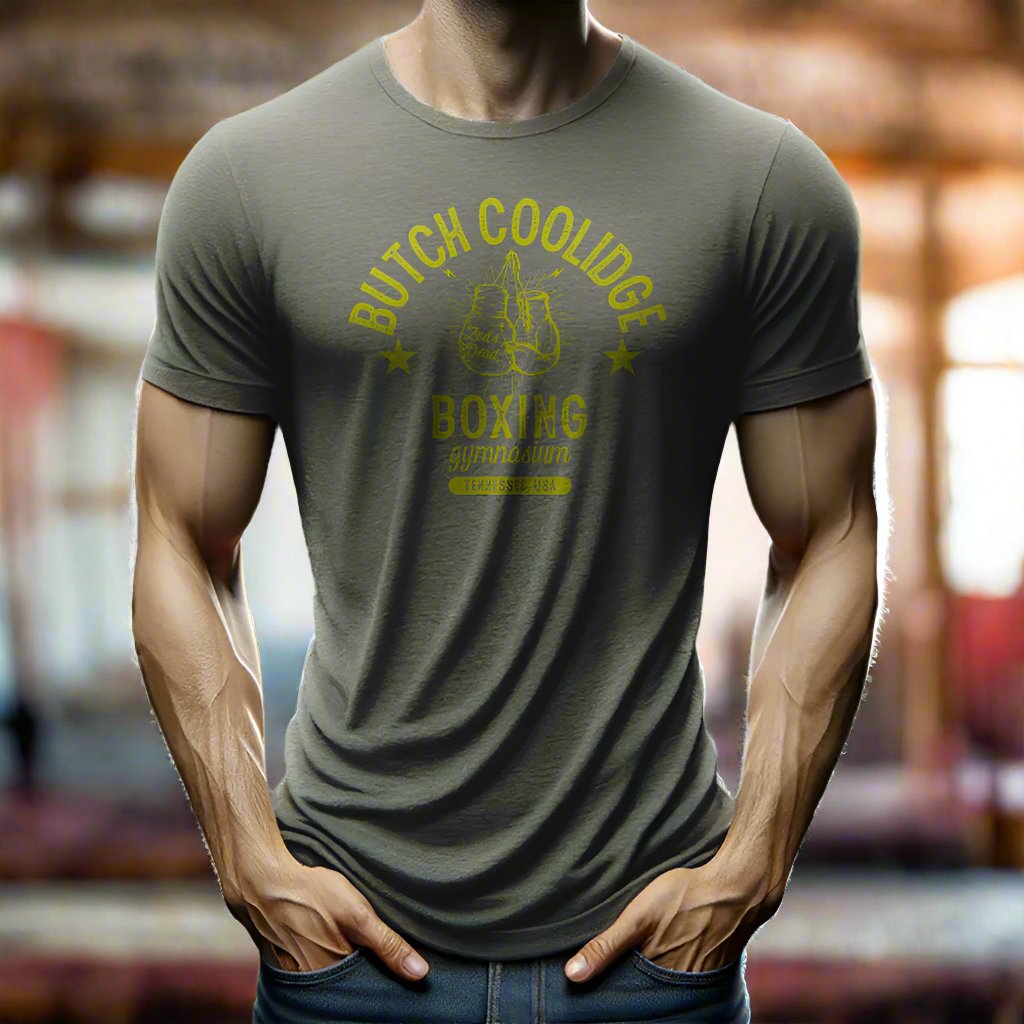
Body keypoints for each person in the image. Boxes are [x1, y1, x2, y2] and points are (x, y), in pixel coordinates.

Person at [130, 1, 883, 1021]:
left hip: (651, 963)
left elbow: (831, 532)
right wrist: (250, 860)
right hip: (345, 956)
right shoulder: (246, 180)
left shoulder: (759, 182)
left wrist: (749, 863)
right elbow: (179, 536)